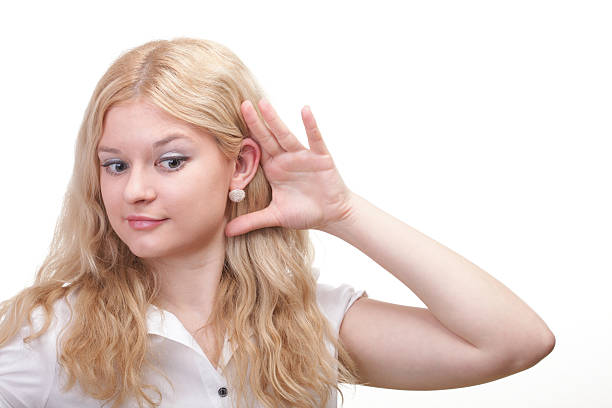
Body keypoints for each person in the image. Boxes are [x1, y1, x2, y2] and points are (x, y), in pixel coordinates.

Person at [0, 37, 555, 408]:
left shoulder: (309, 320)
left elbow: (514, 342)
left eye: (171, 161)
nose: (135, 190)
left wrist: (344, 212)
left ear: (240, 164)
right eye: (115, 165)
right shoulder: (47, 334)